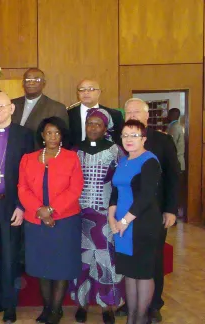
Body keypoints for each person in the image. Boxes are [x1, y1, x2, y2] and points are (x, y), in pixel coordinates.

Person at [116, 98, 180, 323]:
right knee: (132, 268)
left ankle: (153, 306)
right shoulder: (123, 145)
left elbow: (173, 176)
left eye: (137, 111)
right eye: (129, 112)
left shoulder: (162, 141)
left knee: (152, 263)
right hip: (126, 216)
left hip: (152, 213)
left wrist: (171, 209)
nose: (132, 114)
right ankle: (133, 308)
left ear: (147, 117)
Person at [18, 116, 83, 324]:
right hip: (36, 221)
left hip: (65, 220)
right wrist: (40, 210)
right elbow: (22, 188)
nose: (53, 136)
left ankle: (56, 310)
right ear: (42, 135)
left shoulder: (72, 158)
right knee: (41, 265)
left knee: (61, 266)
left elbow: (75, 189)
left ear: (62, 135)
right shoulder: (28, 158)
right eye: (48, 132)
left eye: (57, 132)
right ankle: (47, 308)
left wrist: (51, 210)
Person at [0, 92, 34, 323]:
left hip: (12, 204)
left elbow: (30, 174)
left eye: (1, 106)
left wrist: (22, 206)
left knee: (10, 256)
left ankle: (10, 305)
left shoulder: (25, 136)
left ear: (12, 108)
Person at [70, 109, 126, 324]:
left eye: (97, 124)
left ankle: (107, 306)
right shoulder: (75, 151)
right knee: (81, 261)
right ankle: (81, 304)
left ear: (105, 128)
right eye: (89, 123)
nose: (93, 128)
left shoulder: (116, 151)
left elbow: (122, 184)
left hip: (105, 216)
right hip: (79, 215)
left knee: (106, 261)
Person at [109, 119, 162, 324]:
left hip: (142, 224)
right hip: (122, 225)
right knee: (129, 273)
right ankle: (131, 317)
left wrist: (124, 221)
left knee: (143, 273)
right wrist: (112, 217)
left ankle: (141, 318)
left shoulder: (149, 161)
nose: (129, 139)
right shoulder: (123, 161)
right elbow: (115, 192)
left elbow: (146, 196)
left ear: (144, 139)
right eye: (125, 135)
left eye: (134, 135)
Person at [11, 68, 68, 141]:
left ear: (44, 83)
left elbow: (62, 138)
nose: (31, 83)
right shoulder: (11, 104)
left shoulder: (56, 108)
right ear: (23, 83)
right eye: (28, 80)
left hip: (40, 151)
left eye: (36, 80)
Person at [67, 79, 124, 146]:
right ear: (78, 93)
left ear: (99, 92)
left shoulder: (114, 115)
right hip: (75, 154)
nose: (86, 92)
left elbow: (120, 140)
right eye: (82, 89)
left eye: (91, 89)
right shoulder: (68, 114)